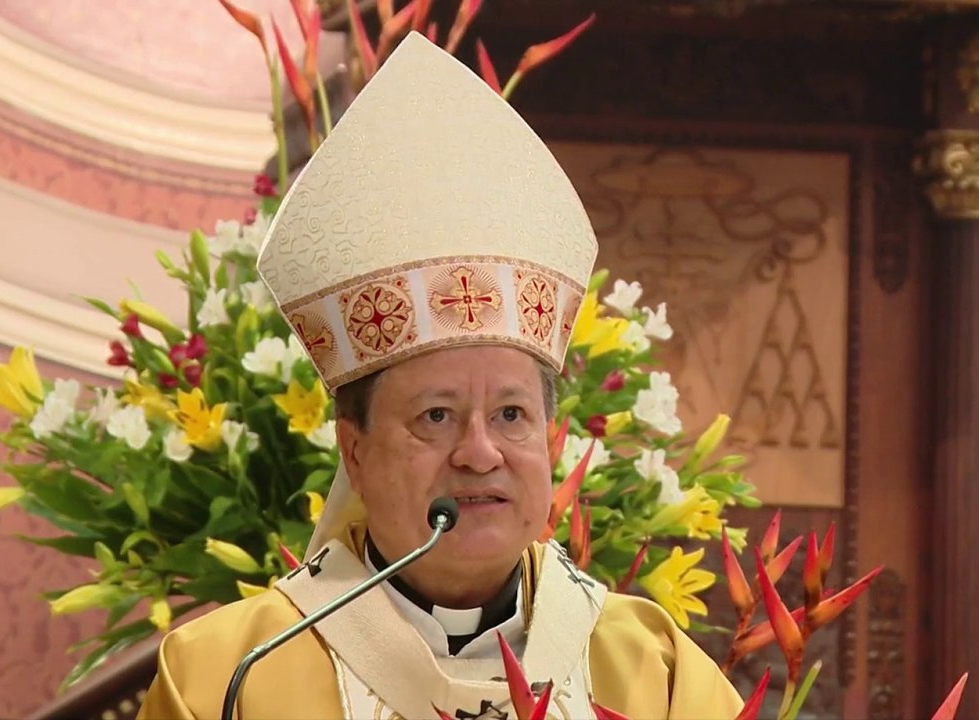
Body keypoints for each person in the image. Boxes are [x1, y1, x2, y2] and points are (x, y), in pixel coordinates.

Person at [137, 31, 745, 720]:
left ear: (551, 442)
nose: (480, 454)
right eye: (436, 416)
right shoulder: (230, 675)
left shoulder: (652, 670)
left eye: (511, 415)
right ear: (354, 452)